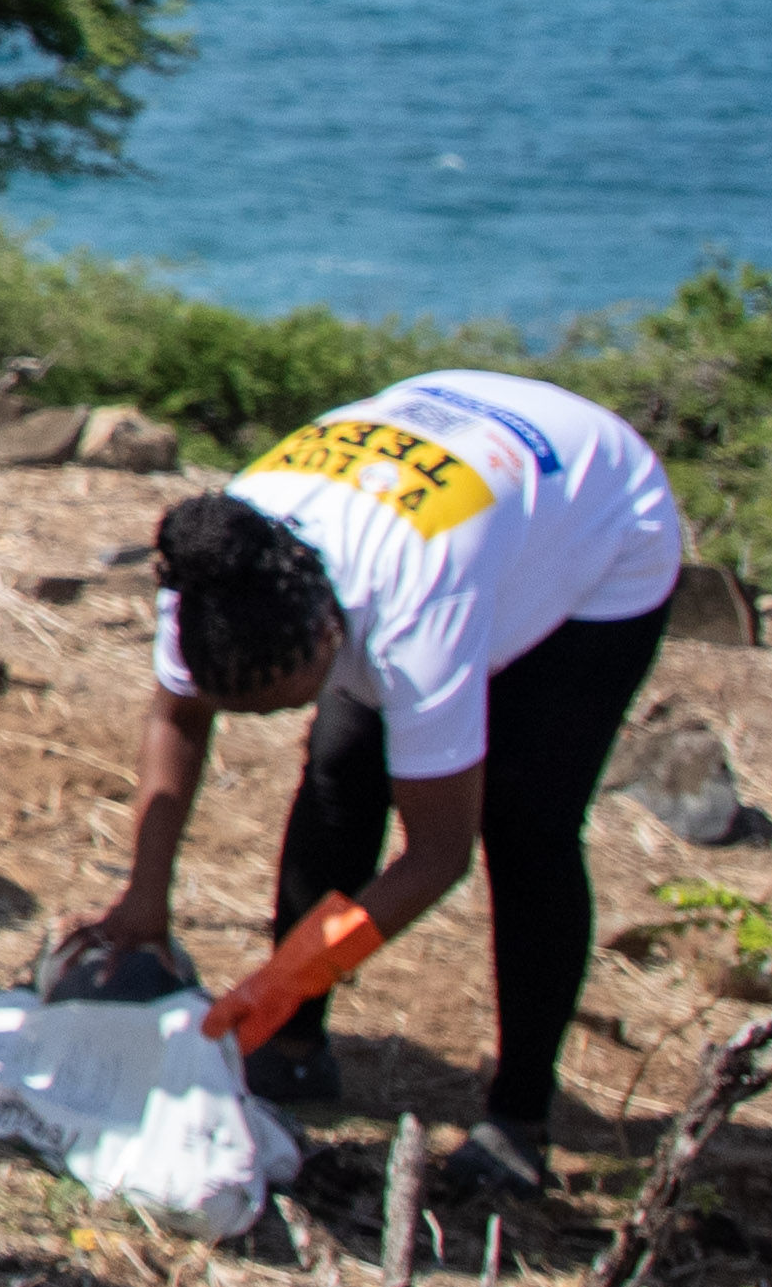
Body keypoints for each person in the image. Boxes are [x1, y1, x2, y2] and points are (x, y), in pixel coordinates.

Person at [52, 373, 689, 1194]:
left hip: (600, 526)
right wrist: (144, 901)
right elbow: (176, 720)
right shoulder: (216, 577)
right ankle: (293, 1050)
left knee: (526, 822)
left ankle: (519, 1119)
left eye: (289, 696)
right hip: (452, 472)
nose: (277, 715)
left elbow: (438, 855)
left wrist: (282, 978)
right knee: (336, 771)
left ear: (325, 635)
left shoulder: (421, 610)